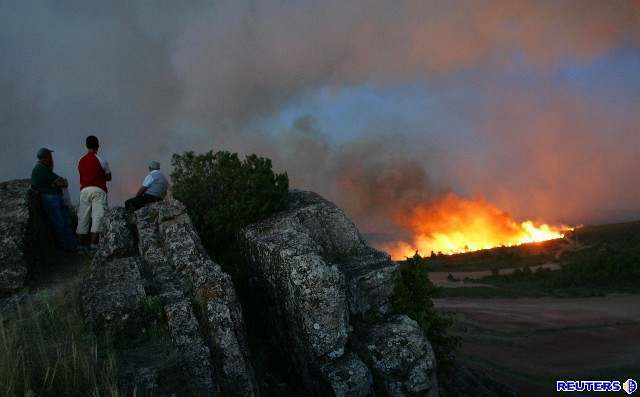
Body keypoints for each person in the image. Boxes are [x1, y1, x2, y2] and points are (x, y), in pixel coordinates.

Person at [30, 148, 77, 252]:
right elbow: (63, 182)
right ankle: (69, 247)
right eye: (50, 156)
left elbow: (62, 182)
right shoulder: (41, 169)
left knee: (62, 221)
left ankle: (70, 245)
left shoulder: (42, 169)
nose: (51, 159)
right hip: (51, 199)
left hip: (51, 198)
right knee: (60, 222)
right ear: (45, 157)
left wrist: (57, 182)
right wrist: (56, 183)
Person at [77, 135, 111, 250]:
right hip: (99, 189)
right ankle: (93, 244)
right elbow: (108, 177)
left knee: (83, 216)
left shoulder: (80, 160)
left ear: (86, 146)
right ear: (98, 146)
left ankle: (81, 245)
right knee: (98, 216)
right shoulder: (102, 160)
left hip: (84, 190)